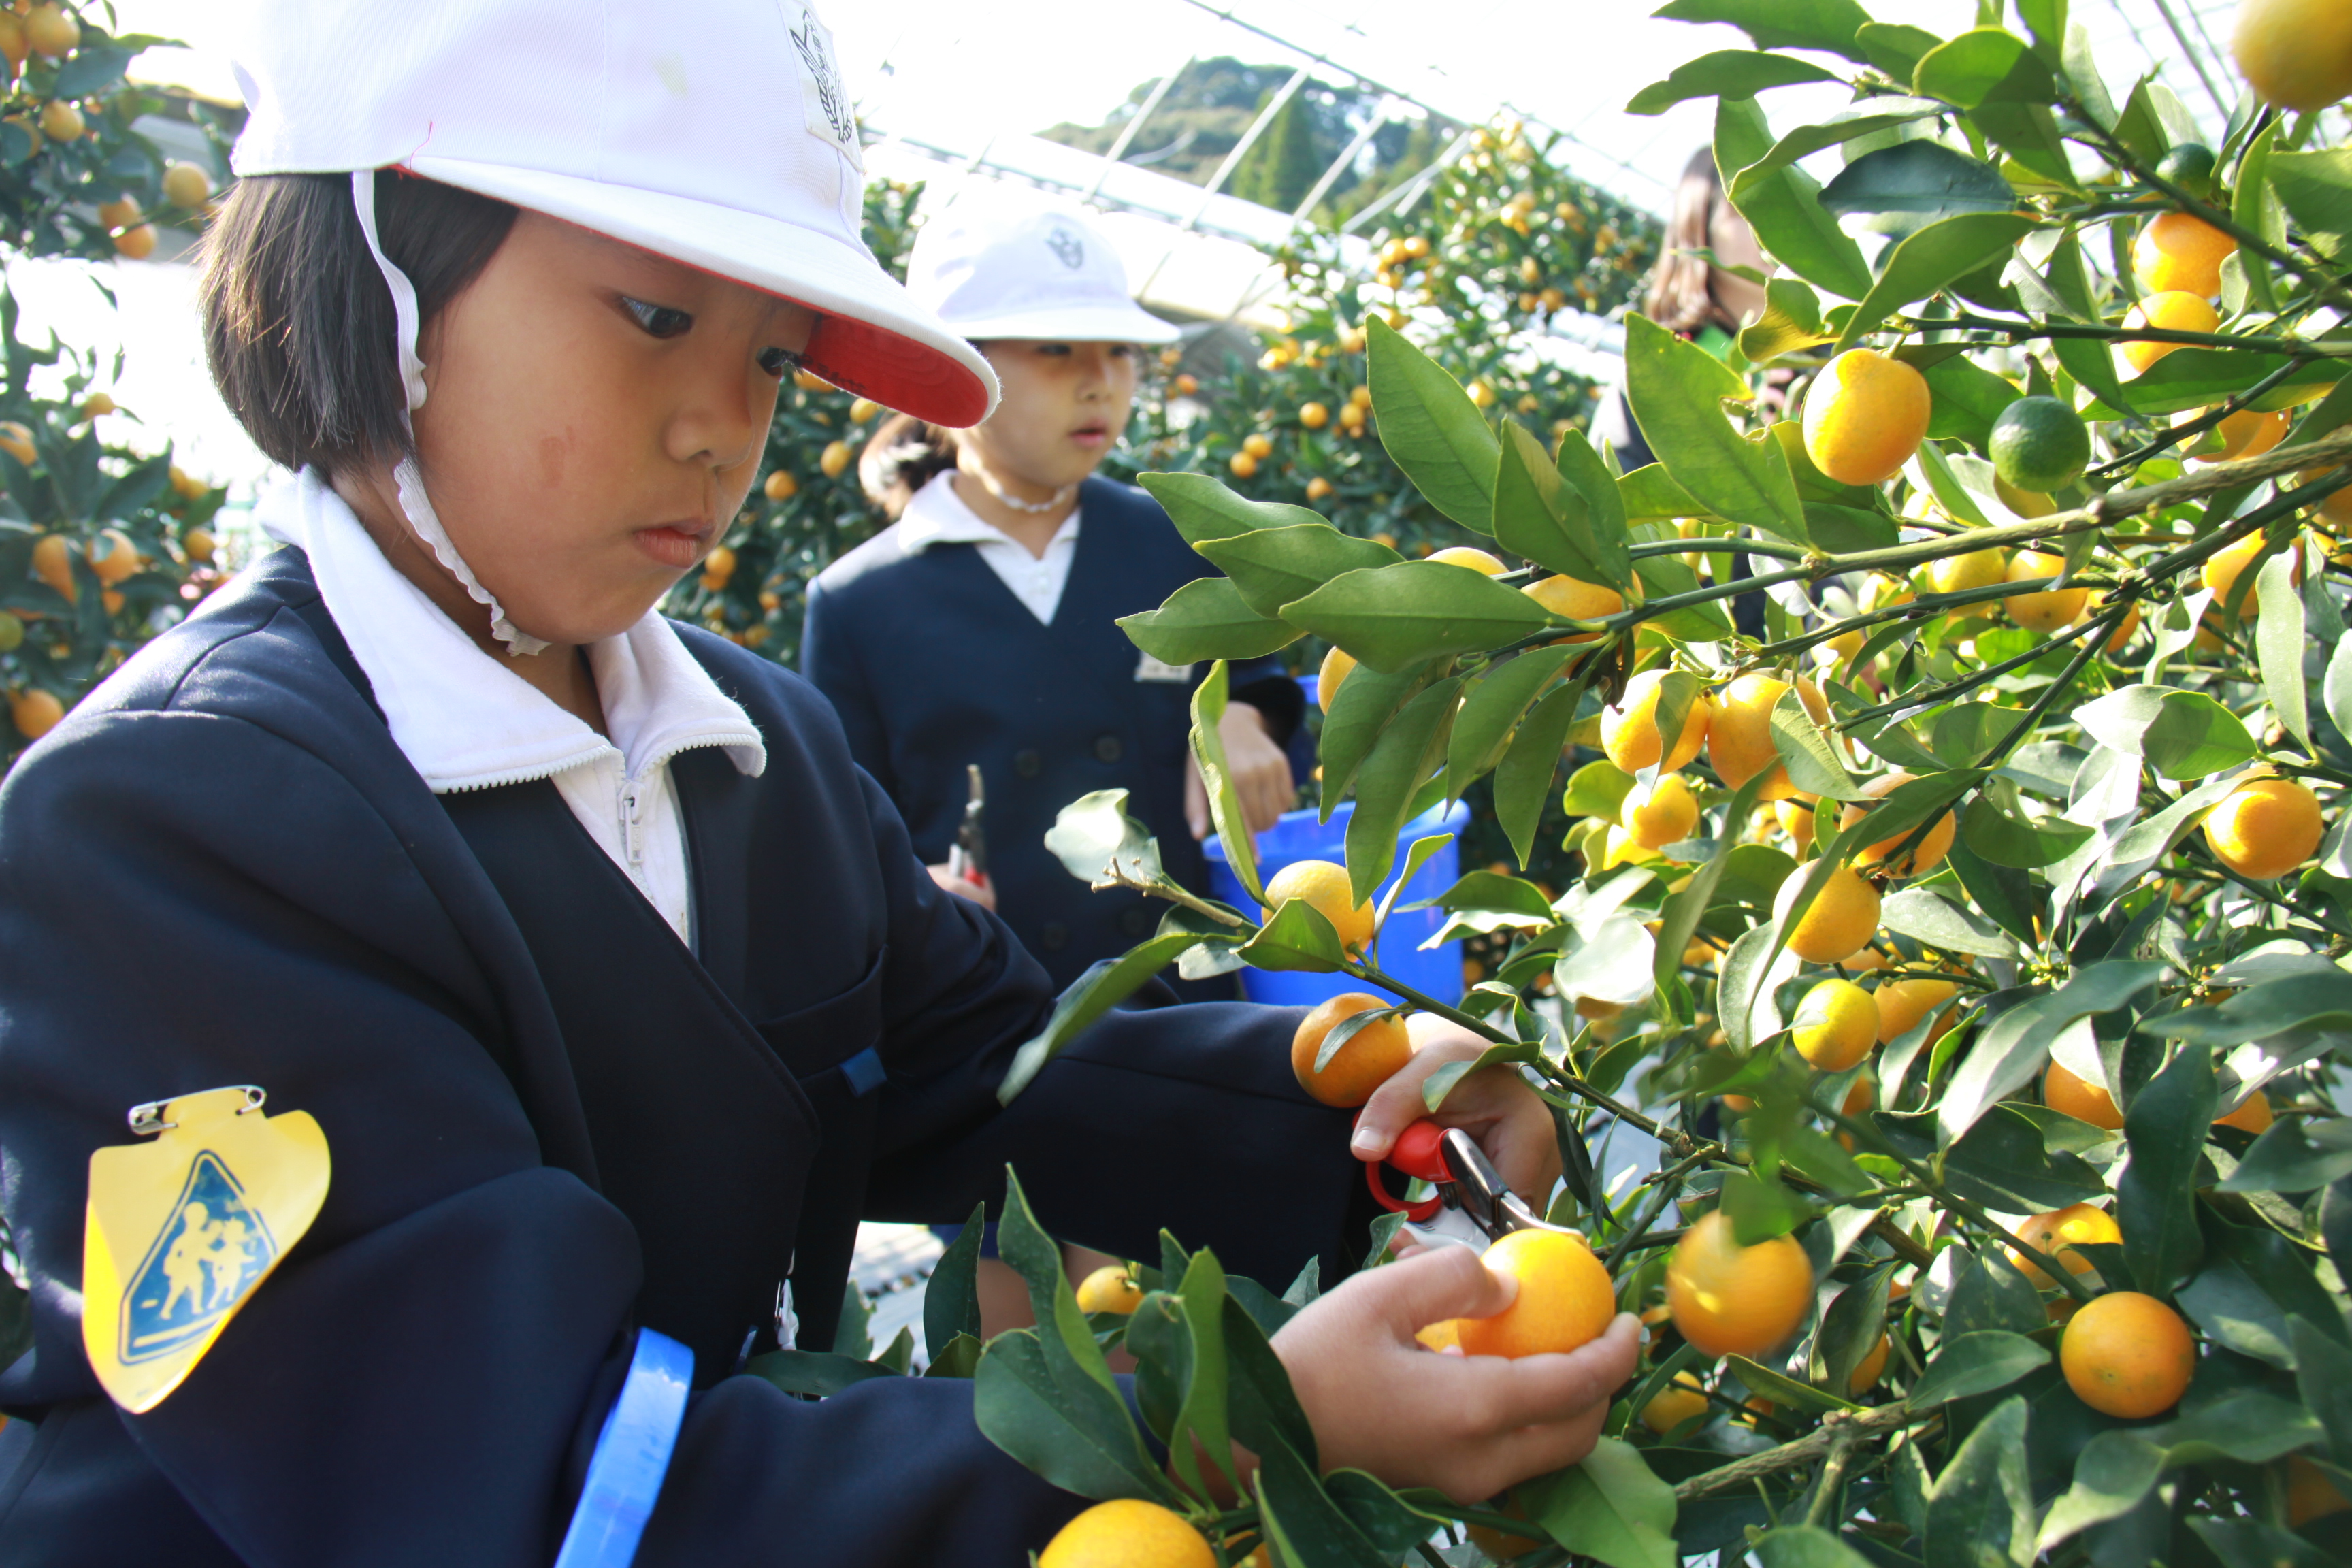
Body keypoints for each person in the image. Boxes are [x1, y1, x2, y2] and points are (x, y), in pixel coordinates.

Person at [0, 3, 1637, 1563]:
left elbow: (992, 1071)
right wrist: (1234, 1427)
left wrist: (1364, 1108)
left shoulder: (750, 748)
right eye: (657, 316)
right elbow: (509, 1491)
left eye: (776, 360)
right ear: (377, 281)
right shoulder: (177, 826)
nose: (726, 429)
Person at [804, 203, 1301, 1000]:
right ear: (950, 368)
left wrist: (1244, 718)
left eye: (1119, 351)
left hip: (1193, 1001)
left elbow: (1253, 675)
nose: (1100, 381)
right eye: (1057, 349)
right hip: (994, 1014)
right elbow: (846, 835)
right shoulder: (861, 603)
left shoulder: (1171, 538)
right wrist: (916, 893)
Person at [1595, 147, 1774, 636]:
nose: (1769, 226)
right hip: (1715, 645)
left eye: (1779, 205)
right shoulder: (1660, 376)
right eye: (1743, 209)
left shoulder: (1835, 366)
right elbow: (1612, 519)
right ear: (1699, 231)